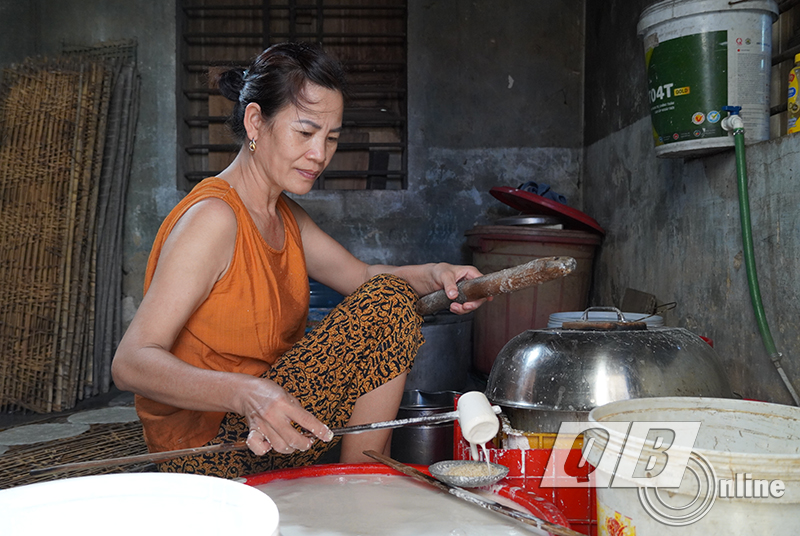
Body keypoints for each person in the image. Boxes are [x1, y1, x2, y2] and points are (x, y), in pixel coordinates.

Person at [111, 42, 486, 479]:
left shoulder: (285, 216)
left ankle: (361, 485)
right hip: (207, 446)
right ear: (256, 122)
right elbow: (132, 362)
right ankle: (362, 488)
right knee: (389, 303)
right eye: (305, 133)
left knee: (387, 299)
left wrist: (437, 274)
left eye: (331, 138)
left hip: (269, 420)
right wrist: (249, 395)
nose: (320, 154)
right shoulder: (214, 219)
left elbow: (363, 277)